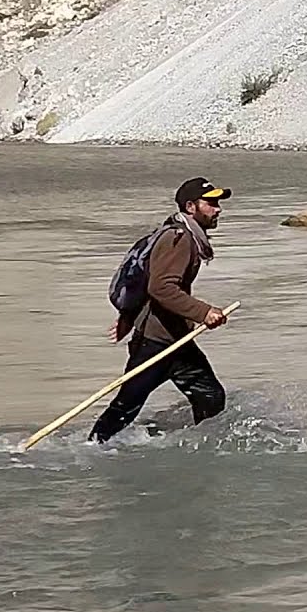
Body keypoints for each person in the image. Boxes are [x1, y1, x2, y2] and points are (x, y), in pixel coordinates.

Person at [90, 177, 233, 443]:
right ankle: (93, 448)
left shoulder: (183, 236)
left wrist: (129, 317)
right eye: (211, 203)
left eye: (217, 203)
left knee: (210, 395)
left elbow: (148, 281)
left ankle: (203, 448)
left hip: (173, 338)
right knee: (126, 407)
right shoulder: (178, 239)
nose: (218, 209)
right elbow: (161, 288)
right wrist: (204, 312)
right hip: (157, 342)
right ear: (190, 207)